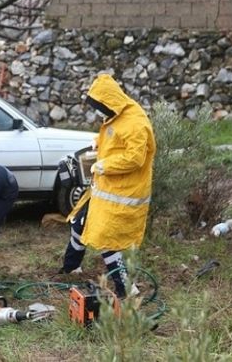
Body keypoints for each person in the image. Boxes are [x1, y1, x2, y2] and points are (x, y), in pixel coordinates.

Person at [59, 74, 156, 299]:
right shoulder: (117, 113)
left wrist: (104, 166)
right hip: (105, 190)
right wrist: (98, 142)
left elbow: (134, 158)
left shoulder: (136, 122)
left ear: (109, 101)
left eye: (99, 107)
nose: (99, 112)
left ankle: (126, 289)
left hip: (122, 193)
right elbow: (115, 140)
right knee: (79, 222)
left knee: (107, 240)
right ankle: (70, 268)